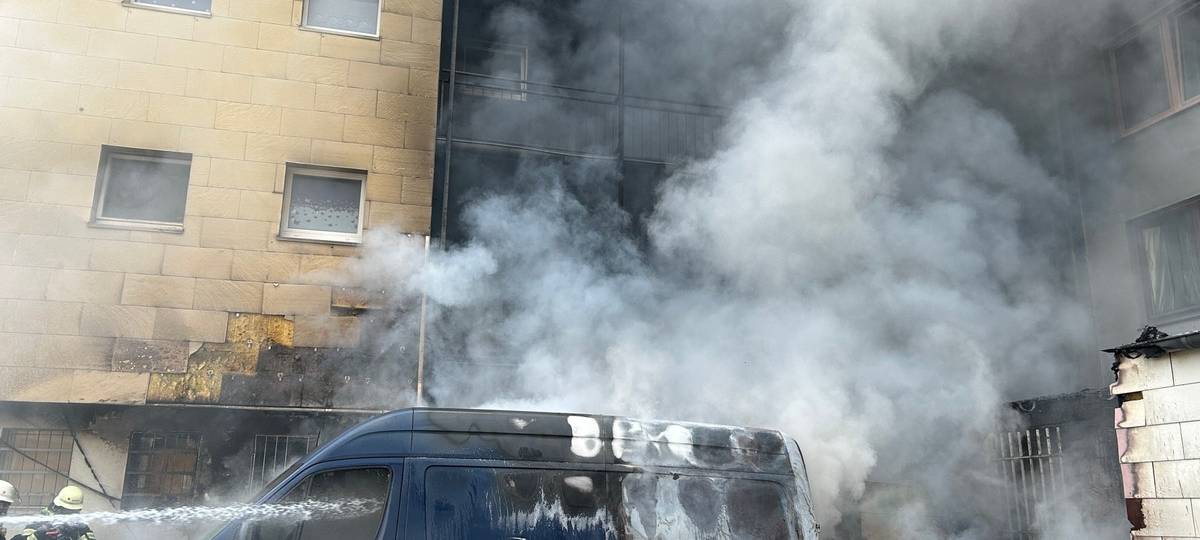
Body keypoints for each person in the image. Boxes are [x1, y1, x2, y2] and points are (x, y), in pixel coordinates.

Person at [11, 486, 94, 540]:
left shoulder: (79, 524)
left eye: (73, 511)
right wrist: (38, 536)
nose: (70, 514)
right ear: (58, 507)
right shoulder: (41, 520)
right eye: (67, 510)